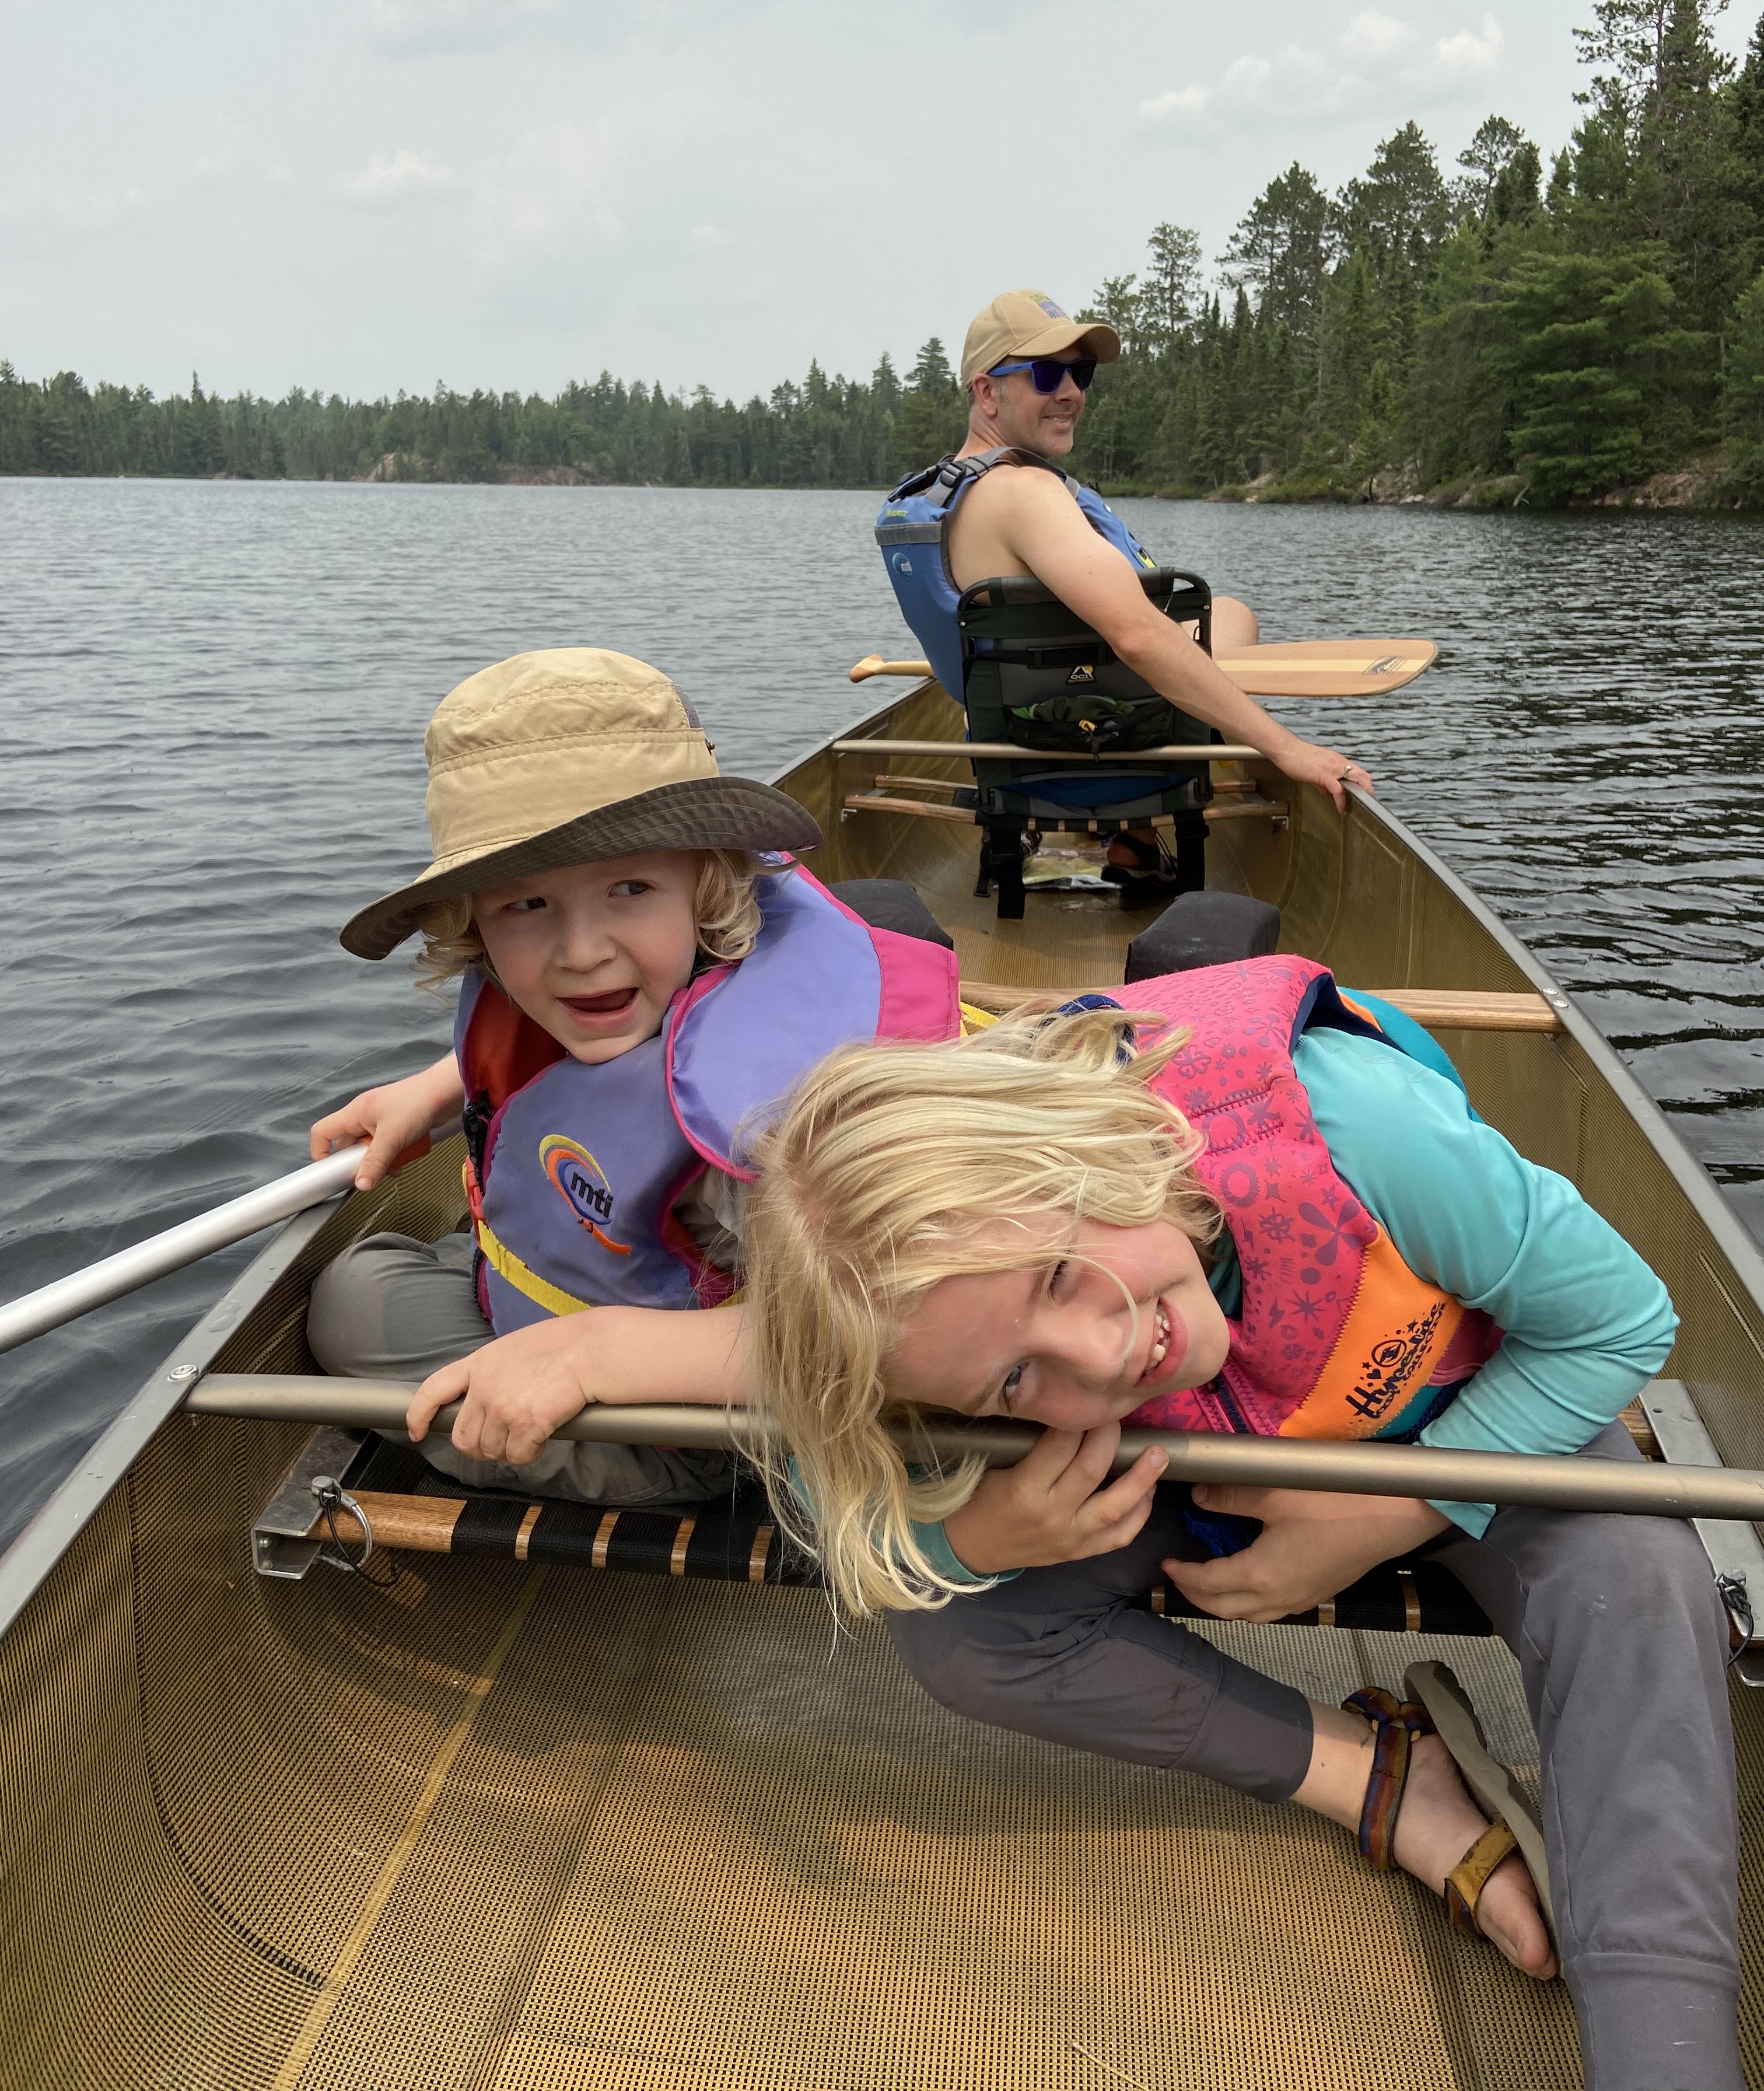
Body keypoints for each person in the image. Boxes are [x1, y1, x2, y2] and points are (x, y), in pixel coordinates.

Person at [733, 964, 1742, 2091]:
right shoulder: (936, 1324)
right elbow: (836, 1495)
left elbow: (1618, 1320)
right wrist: (988, 1536)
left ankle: (1665, 2042)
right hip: (1207, 1464)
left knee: (1641, 1572)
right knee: (964, 1631)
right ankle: (1378, 1780)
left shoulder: (1360, 1127)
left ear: (1093, 1144)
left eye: (1063, 1270)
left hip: (1481, 1412)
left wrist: (1383, 1512)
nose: (1101, 1350)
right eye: (1017, 1377)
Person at [305, 645, 960, 1506]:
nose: (583, 952)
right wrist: (437, 1086)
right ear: (475, 927)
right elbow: (600, 1057)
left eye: (630, 889)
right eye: (526, 905)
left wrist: (596, 1357)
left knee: (354, 1304)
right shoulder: (639, 979)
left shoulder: (775, 1118)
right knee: (375, 1274)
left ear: (709, 885)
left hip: (714, 1421)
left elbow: (883, 1334)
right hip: (592, 1276)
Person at [876, 289, 1373, 884]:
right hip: (1104, 747)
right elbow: (1137, 637)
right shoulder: (1029, 493)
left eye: (1080, 373)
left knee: (1231, 615)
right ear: (988, 392)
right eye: (1046, 374)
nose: (1072, 393)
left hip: (1011, 752)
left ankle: (1110, 836)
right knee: (1222, 621)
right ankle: (1134, 829)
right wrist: (1289, 750)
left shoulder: (946, 503)